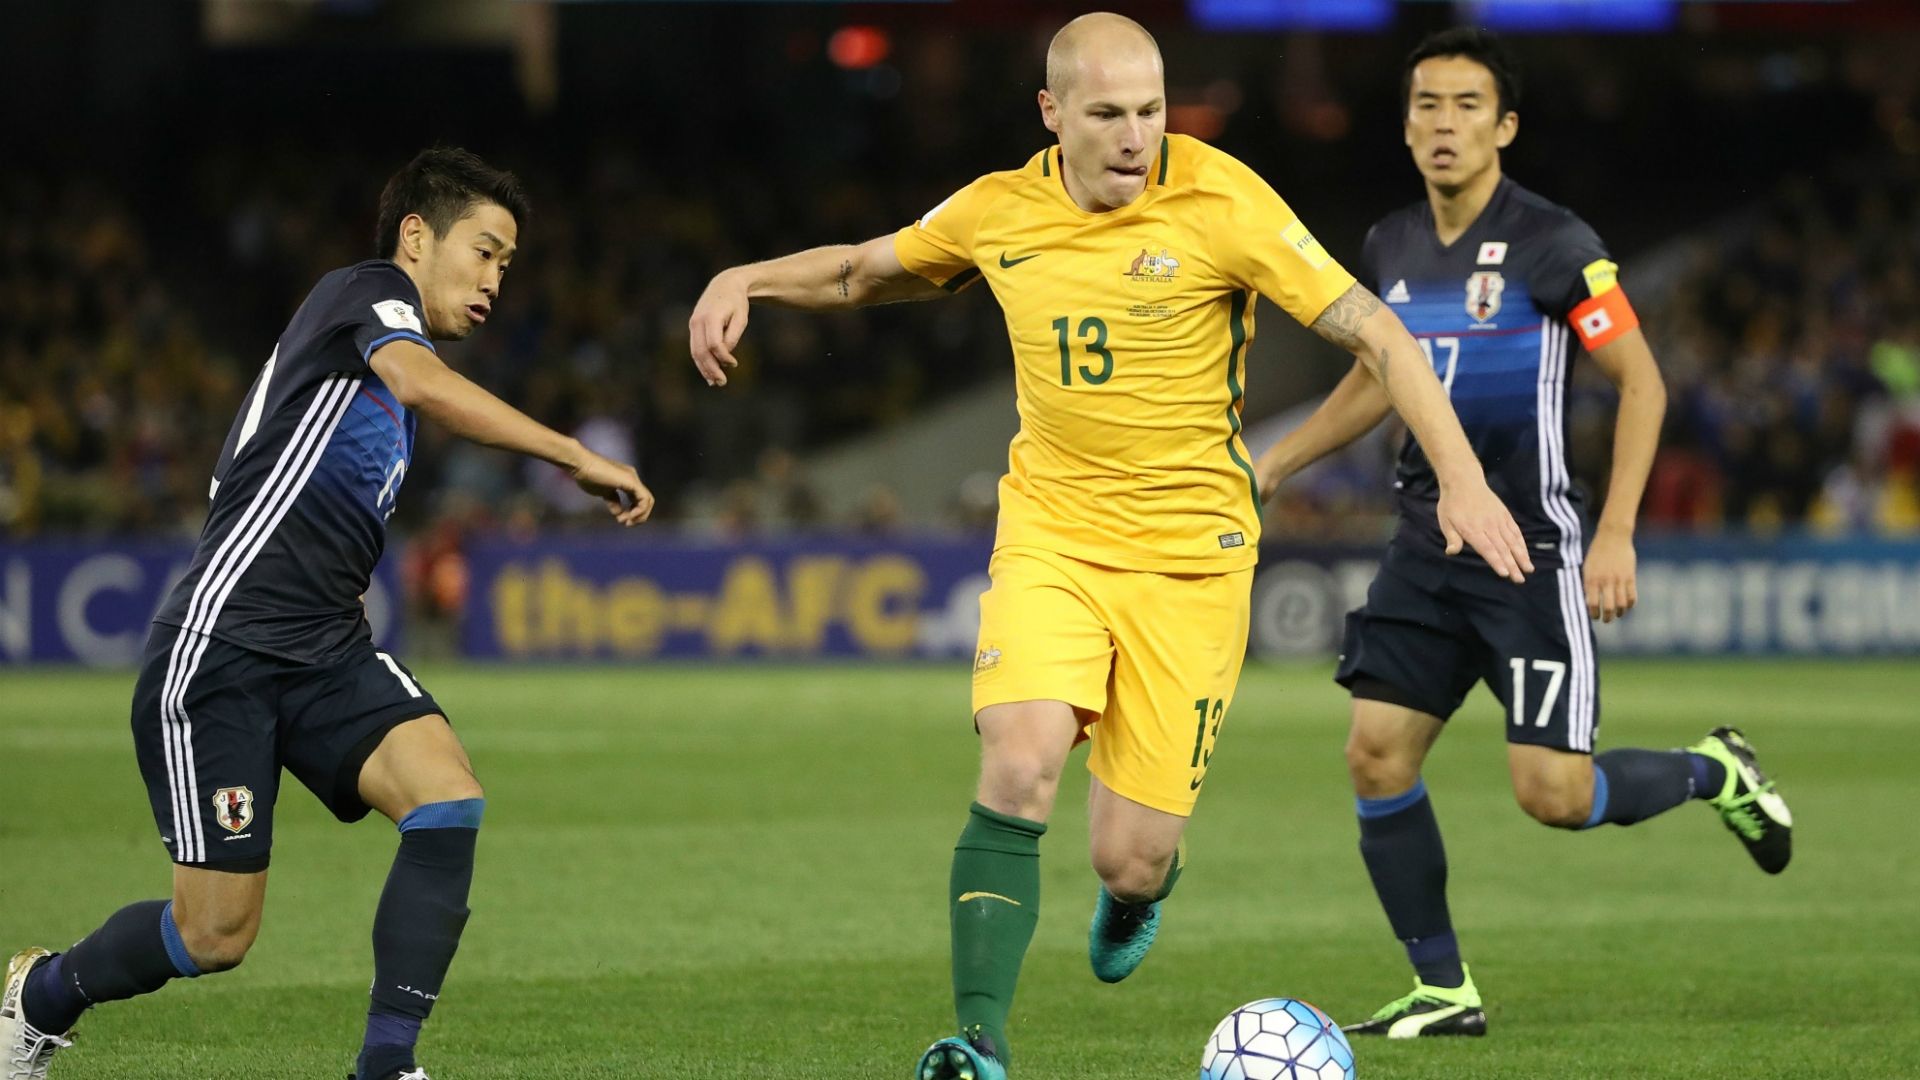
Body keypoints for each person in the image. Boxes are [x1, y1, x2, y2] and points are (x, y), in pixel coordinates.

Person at [688, 14, 1530, 1078]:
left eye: (1150, 110)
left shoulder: (1224, 198)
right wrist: (745, 279)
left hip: (1192, 562)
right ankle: (980, 1041)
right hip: (1053, 540)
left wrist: (1459, 478)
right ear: (1052, 114)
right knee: (1021, 759)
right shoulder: (999, 209)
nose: (1137, 137)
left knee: (1128, 858)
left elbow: (1377, 333)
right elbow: (864, 271)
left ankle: (1141, 893)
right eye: (1107, 115)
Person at [0, 147, 653, 1080]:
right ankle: (42, 998)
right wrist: (572, 454)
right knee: (214, 934)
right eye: (485, 250)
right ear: (418, 237)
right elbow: (422, 382)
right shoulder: (365, 293)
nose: (495, 280)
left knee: (447, 795)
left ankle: (385, 1066)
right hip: (221, 646)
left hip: (325, 647)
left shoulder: (386, 378)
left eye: (508, 264)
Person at [1253, 29, 1792, 1040]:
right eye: (1425, 104)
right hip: (1425, 546)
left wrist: (1616, 532)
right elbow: (1376, 378)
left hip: (1530, 553)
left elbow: (1642, 382)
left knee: (1550, 793)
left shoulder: (1558, 245)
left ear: (1504, 126)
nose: (1442, 124)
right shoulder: (1389, 247)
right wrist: (1275, 465)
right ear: (1405, 123)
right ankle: (1442, 990)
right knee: (1374, 754)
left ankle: (1713, 773)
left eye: (1465, 105)